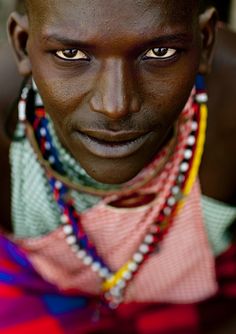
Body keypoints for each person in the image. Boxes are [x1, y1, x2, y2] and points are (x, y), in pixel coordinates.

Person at [0, 0, 236, 333]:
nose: (116, 106)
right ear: (23, 46)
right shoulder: (4, 117)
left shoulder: (230, 100)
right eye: (71, 55)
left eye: (159, 53)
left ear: (205, 41)